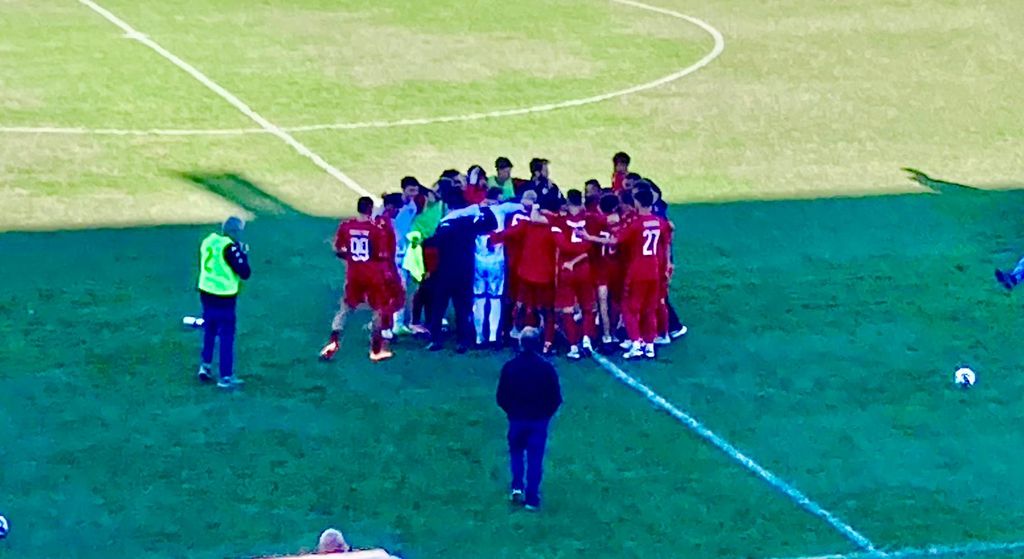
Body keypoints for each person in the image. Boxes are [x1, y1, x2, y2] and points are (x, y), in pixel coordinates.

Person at [496, 327, 562, 511]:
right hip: (538, 420)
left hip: (517, 418)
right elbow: (555, 398)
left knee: (516, 453)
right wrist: (545, 415)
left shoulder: (510, 367)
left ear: (520, 343)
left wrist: (511, 411)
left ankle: (517, 486)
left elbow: (501, 396)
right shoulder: (546, 368)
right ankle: (532, 498)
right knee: (535, 458)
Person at [320, 196, 392, 362]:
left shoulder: (346, 226)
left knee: (345, 309)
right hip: (373, 276)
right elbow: (382, 255)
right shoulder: (376, 229)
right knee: (378, 310)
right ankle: (375, 350)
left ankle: (333, 343)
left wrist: (352, 259)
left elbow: (338, 250)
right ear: (371, 209)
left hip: (354, 275)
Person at [424, 207, 498, 353]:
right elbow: (492, 224)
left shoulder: (444, 226)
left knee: (438, 307)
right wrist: (483, 208)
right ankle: (462, 341)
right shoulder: (468, 224)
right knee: (462, 308)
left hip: (443, 272)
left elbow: (431, 245)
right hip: (464, 272)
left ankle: (436, 339)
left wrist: (430, 269)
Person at [196, 216, 251, 389]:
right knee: (226, 335)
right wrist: (243, 254)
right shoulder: (230, 248)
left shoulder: (209, 241)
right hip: (223, 296)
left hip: (206, 291)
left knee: (209, 330)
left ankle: (205, 366)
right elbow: (245, 272)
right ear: (234, 232)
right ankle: (225, 376)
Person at [554, 189, 598, 359]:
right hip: (584, 268)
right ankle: (587, 340)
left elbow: (562, 245)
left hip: (567, 269)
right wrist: (581, 251)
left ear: (567, 202)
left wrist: (571, 258)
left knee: (568, 309)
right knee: (588, 306)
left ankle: (573, 347)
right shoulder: (590, 219)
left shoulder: (559, 221)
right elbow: (589, 246)